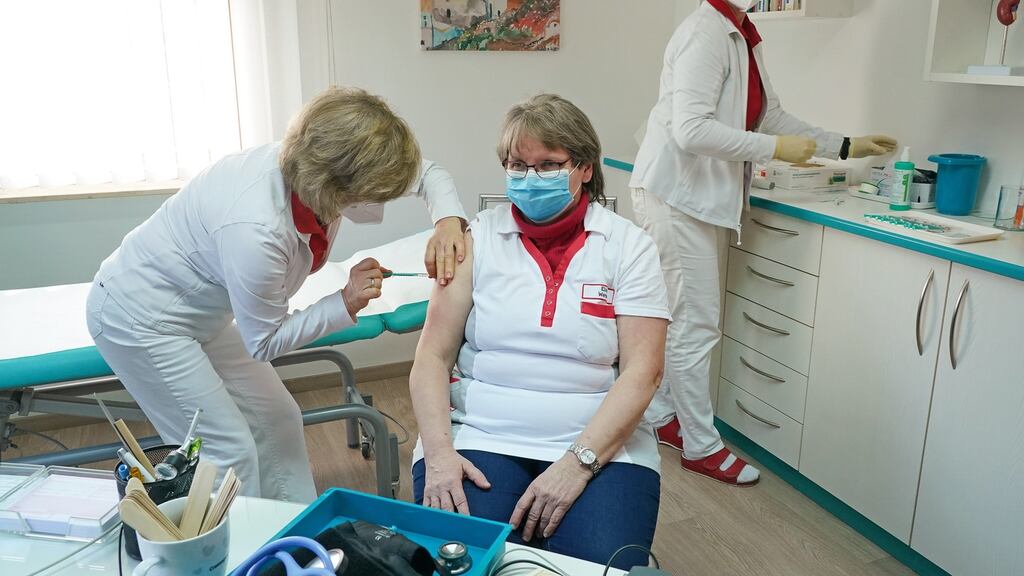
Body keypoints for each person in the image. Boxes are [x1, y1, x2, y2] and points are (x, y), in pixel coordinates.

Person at [86, 87, 468, 504]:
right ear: (336, 186)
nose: (383, 202)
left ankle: (293, 538)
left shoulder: (321, 162)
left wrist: (448, 222)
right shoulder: (257, 229)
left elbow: (428, 173)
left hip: (204, 313)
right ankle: (238, 563)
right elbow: (264, 341)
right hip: (143, 318)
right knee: (226, 453)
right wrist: (344, 301)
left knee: (280, 419)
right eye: (375, 195)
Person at [630, 0, 897, 486]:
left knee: (685, 320)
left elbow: (769, 114)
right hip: (676, 196)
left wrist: (843, 144)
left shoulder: (740, 33)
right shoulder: (705, 33)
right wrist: (774, 150)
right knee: (695, 324)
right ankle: (701, 445)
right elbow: (692, 129)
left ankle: (665, 418)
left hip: (696, 197)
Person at [409, 94, 670, 570]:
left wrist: (577, 463)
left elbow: (644, 371)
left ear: (585, 168)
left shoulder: (629, 247)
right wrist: (439, 453)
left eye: (548, 165)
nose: (530, 179)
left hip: (598, 443)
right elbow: (431, 356)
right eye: (517, 165)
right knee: (462, 561)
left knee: (598, 565)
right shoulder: (475, 239)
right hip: (481, 434)